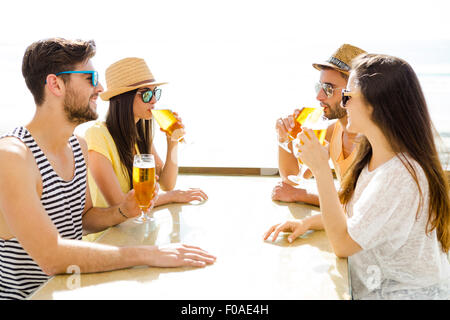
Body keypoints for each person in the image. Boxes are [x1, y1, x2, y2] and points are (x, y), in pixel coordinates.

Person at [0, 38, 215, 300]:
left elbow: (85, 219)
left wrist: (123, 210)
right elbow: (51, 256)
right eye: (90, 77)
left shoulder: (78, 147)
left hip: (72, 290)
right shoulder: (12, 156)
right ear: (55, 84)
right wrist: (149, 254)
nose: (100, 88)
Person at [264, 53, 450, 299]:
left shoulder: (400, 175)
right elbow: (356, 215)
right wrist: (307, 223)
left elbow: (343, 245)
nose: (343, 104)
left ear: (376, 105)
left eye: (348, 96)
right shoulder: (373, 155)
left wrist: (320, 169)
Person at [83, 57, 207, 240]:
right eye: (146, 94)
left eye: (155, 93)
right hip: (108, 239)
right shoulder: (97, 134)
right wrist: (172, 196)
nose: (154, 101)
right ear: (123, 99)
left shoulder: (140, 133)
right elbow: (121, 205)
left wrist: (172, 142)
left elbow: (167, 183)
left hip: (135, 233)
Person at [273, 44, 366, 206]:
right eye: (319, 87)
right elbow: (294, 178)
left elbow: (363, 206)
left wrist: (303, 195)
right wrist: (284, 138)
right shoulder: (333, 131)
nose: (318, 96)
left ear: (354, 91)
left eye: (328, 88)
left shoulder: (375, 139)